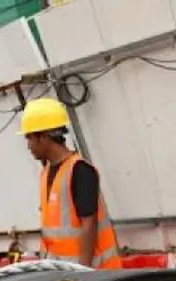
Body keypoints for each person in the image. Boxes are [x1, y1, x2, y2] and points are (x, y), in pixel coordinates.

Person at [20, 97, 122, 270]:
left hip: (93, 274)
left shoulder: (80, 170)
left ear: (43, 137)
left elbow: (89, 225)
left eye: (29, 138)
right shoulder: (46, 172)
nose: (28, 145)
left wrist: (82, 273)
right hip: (61, 271)